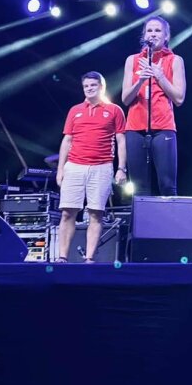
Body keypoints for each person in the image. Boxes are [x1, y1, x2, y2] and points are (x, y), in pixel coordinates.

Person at [56, 72, 128, 263]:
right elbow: (67, 140)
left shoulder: (114, 110)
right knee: (67, 212)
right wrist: (60, 169)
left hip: (102, 167)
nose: (89, 89)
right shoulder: (75, 110)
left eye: (93, 85)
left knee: (96, 213)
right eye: (86, 86)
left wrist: (121, 168)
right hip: (74, 166)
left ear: (101, 87)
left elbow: (121, 140)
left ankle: (89, 259)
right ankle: (62, 257)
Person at [121, 17, 186, 196]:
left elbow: (179, 98)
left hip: (163, 127)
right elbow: (125, 99)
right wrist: (140, 80)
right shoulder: (132, 60)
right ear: (144, 35)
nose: (153, 34)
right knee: (138, 187)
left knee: (167, 184)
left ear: (166, 36)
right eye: (149, 30)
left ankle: (169, 215)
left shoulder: (175, 60)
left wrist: (160, 76)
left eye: (158, 30)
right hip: (135, 128)